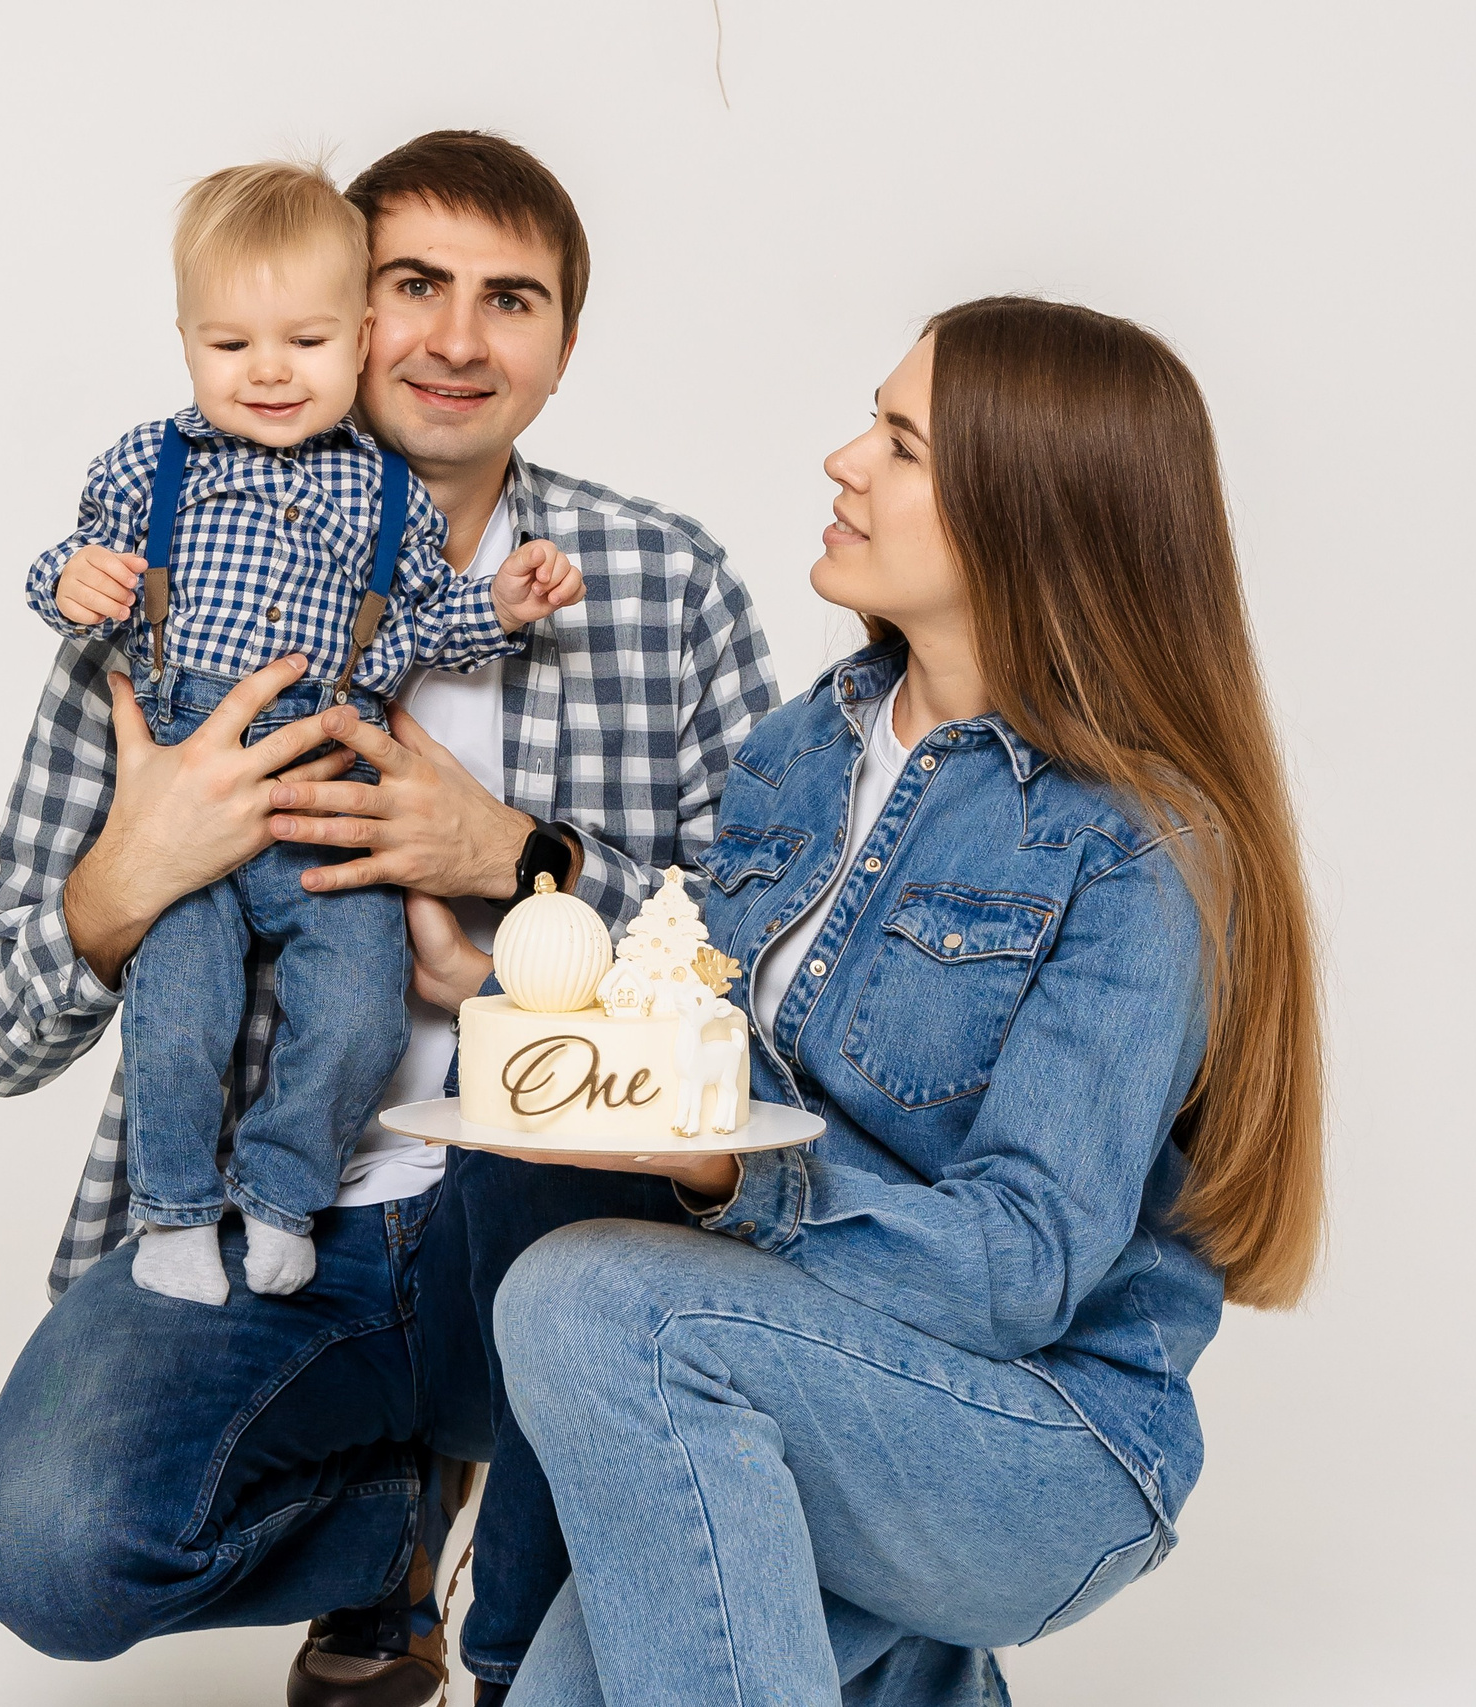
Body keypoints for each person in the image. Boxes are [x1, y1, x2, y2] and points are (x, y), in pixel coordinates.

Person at [0, 131, 776, 1706]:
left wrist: (524, 859)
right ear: (333, 296)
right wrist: (140, 865)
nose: (459, 339)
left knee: (569, 1213)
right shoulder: (164, 586)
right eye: (413, 286)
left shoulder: (662, 583)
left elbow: (778, 971)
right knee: (48, 1548)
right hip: (276, 1235)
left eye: (511, 300)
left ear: (563, 346)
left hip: (543, 1215)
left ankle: (538, 1635)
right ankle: (396, 1537)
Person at [408, 298, 1324, 1704]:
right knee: (528, 1177)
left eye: (900, 443)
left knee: (596, 1300)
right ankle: (526, 1662)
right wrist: (530, 997)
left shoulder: (1140, 846)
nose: (844, 460)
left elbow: (1022, 1265)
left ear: (1031, 514)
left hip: (1044, 1435)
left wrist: (726, 1166)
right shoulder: (800, 746)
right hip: (792, 1371)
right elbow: (693, 1011)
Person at [25, 158, 582, 1306]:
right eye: (230, 346)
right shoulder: (152, 470)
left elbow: (426, 618)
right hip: (189, 749)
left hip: (324, 786)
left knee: (359, 996)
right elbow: (74, 557)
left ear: (348, 327)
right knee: (180, 1006)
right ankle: (179, 1211)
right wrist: (130, 865)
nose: (268, 373)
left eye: (511, 300)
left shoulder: (391, 501)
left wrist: (505, 608)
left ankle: (281, 1192)